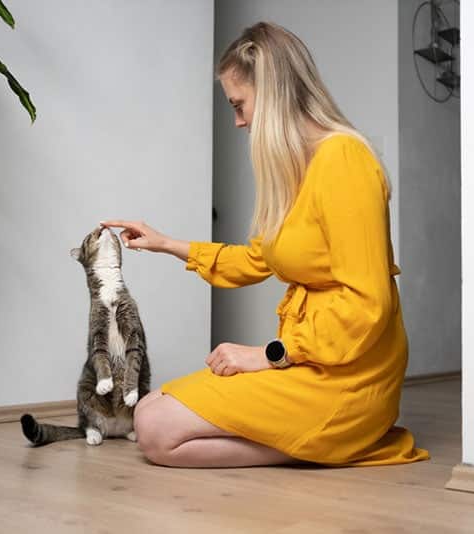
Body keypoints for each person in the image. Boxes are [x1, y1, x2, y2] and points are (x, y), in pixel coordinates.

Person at [100, 22, 429, 468]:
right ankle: (309, 442)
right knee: (150, 410)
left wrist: (267, 356)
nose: (238, 121)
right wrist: (165, 243)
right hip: (309, 360)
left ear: (272, 93)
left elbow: (367, 305)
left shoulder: (345, 161)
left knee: (156, 432)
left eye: (239, 105)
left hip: (349, 378)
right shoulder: (297, 170)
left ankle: (329, 440)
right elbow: (258, 259)